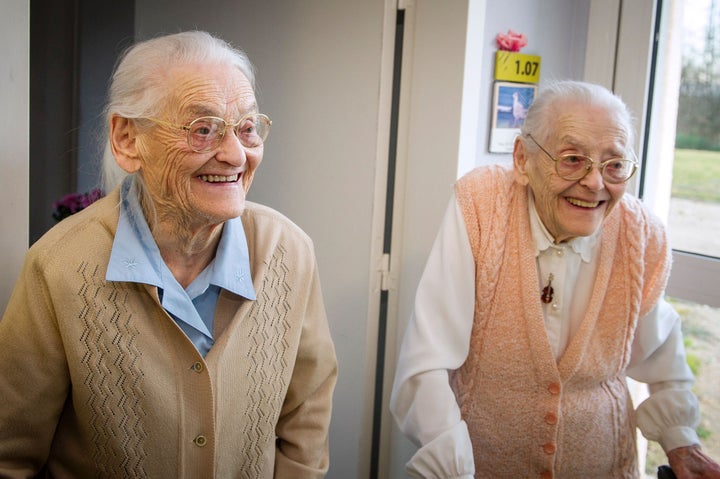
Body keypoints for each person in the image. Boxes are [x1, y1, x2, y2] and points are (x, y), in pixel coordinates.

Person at [0, 31, 337, 478]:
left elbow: (306, 427)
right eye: (203, 130)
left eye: (247, 128)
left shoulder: (290, 253)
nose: (236, 154)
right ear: (127, 139)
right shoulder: (59, 266)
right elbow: (12, 455)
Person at [390, 80, 720, 478]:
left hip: (602, 465)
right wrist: (452, 466)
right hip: (485, 465)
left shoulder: (641, 233)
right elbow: (425, 364)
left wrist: (681, 443)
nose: (595, 183)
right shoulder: (481, 206)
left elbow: (661, 356)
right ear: (522, 158)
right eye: (572, 159)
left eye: (613, 164)